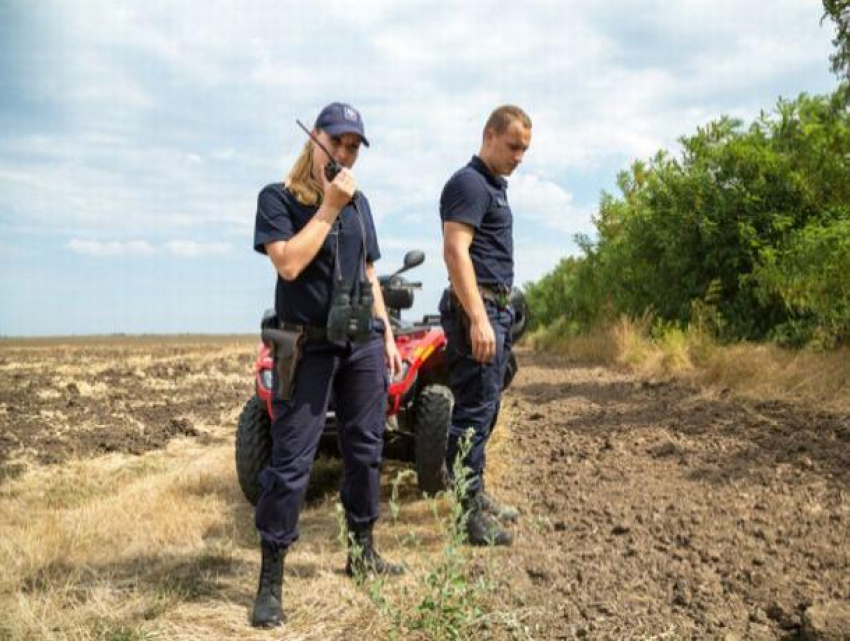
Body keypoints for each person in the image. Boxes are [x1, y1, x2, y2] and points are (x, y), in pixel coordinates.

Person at [250, 102, 404, 628]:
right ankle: (271, 578)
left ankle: (362, 553)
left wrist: (385, 334)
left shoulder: (360, 203)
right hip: (308, 345)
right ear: (314, 140)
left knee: (365, 451)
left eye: (353, 147)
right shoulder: (278, 198)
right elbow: (289, 263)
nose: (344, 153)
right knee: (291, 462)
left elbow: (367, 272)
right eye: (336, 142)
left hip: (361, 343)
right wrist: (330, 208)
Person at [439, 105, 532, 546]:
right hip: (476, 312)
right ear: (488, 136)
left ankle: (476, 492)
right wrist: (478, 318)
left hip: (496, 310)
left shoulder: (494, 186)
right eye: (513, 146)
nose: (519, 156)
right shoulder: (469, 183)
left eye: (525, 149)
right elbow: (456, 252)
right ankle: (466, 517)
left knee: (487, 409)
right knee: (472, 415)